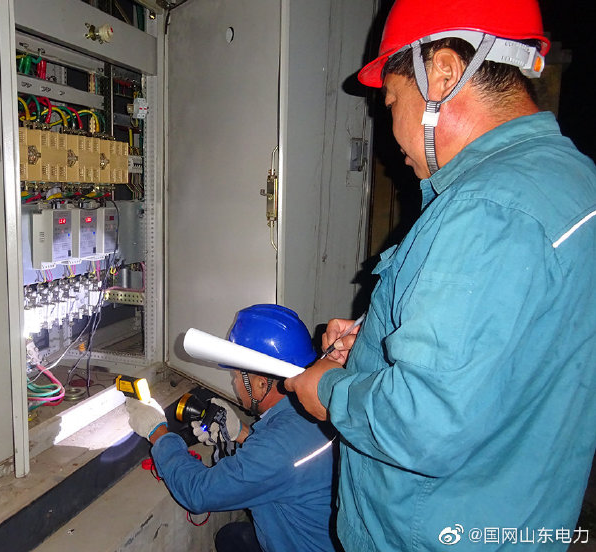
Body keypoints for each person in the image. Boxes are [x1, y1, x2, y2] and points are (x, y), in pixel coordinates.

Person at [285, 0, 596, 550]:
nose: (390, 134)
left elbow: (422, 424)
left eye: (391, 101)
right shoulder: (573, 178)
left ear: (444, 74)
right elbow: (512, 350)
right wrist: (377, 343)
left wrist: (330, 391)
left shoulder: (485, 210)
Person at [127, 304, 339, 552]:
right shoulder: (321, 409)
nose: (235, 384)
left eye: (236, 376)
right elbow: (288, 458)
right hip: (325, 536)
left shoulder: (277, 449)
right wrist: (242, 433)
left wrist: (157, 432)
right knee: (232, 538)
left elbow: (199, 493)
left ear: (261, 384)